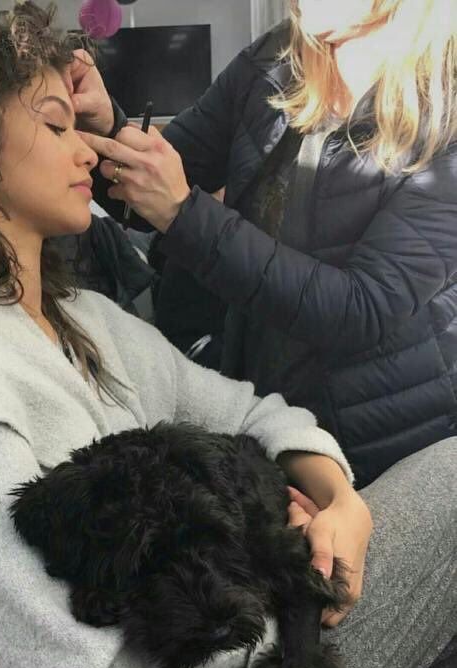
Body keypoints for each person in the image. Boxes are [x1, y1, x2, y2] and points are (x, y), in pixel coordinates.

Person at [0, 4, 454, 668]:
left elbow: (253, 407)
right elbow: (64, 653)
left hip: (226, 644)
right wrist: (274, 597)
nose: (85, 153)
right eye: (57, 126)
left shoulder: (86, 323)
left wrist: (338, 501)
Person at [76, 0, 457, 490]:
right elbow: (165, 178)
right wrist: (107, 128)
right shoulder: (277, 57)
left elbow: (362, 310)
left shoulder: (446, 113)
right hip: (267, 408)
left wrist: (180, 213)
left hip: (387, 441)